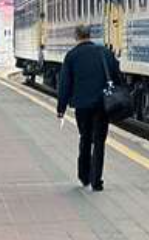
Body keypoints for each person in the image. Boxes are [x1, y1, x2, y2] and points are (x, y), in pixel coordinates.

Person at [56, 24, 122, 191]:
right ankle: (96, 181)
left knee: (85, 138)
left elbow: (65, 84)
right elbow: (117, 77)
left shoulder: (72, 56)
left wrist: (61, 108)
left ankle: (84, 176)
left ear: (76, 36)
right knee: (99, 141)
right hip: (102, 104)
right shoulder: (105, 53)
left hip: (82, 106)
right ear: (90, 35)